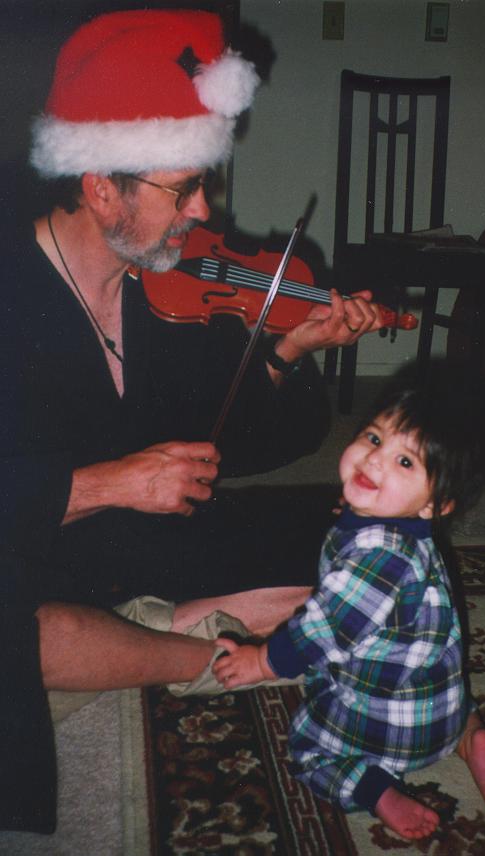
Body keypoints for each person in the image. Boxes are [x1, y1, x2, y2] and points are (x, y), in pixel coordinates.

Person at [1, 9, 383, 833]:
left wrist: (285, 351)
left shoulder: (163, 287)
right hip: (28, 545)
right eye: (182, 189)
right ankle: (202, 650)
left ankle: (143, 626)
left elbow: (236, 450)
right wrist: (110, 481)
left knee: (357, 547)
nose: (203, 209)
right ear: (103, 188)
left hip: (122, 548)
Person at [213, 362, 485, 840]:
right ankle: (470, 732)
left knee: (307, 753)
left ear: (435, 504)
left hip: (389, 729)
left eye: (405, 462)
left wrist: (262, 661)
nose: (374, 461)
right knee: (437, 675)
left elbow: (322, 632)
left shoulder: (378, 559)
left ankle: (374, 787)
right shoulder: (404, 528)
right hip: (440, 706)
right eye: (376, 439)